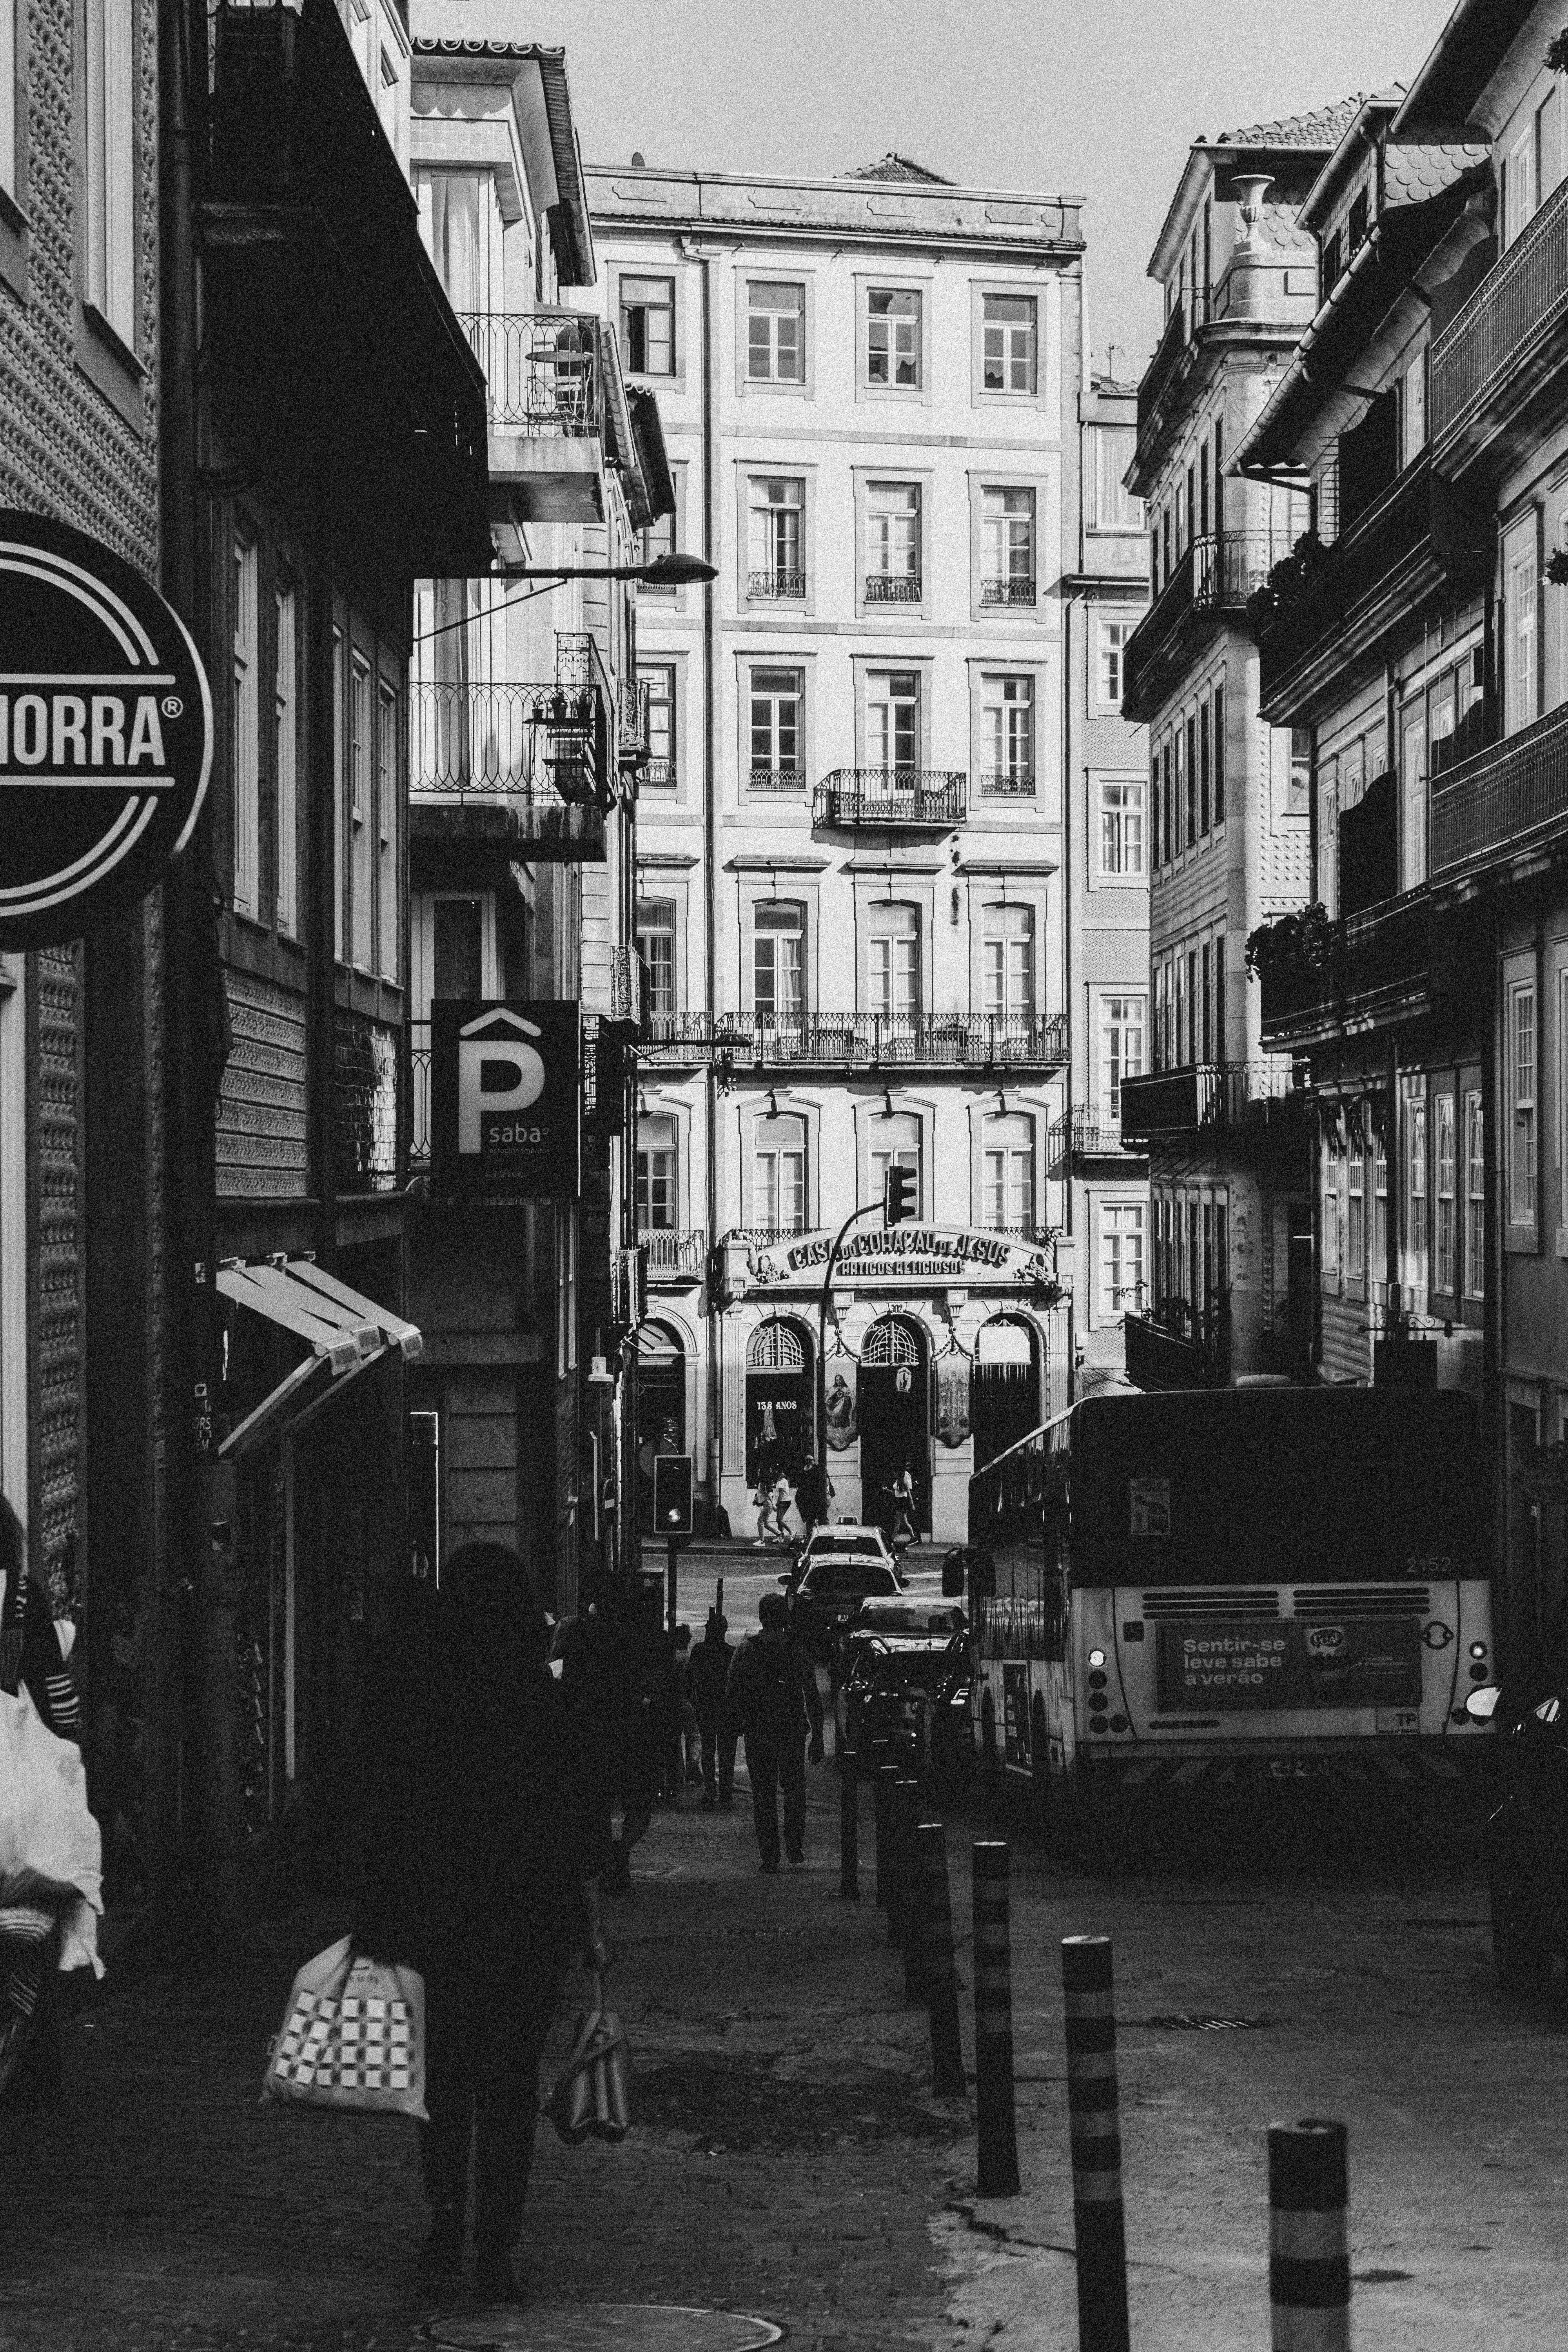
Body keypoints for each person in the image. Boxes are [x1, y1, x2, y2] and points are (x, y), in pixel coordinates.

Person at [356, 1544, 608, 2304]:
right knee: (507, 2086)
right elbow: (581, 1830)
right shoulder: (548, 1703)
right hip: (528, 1924)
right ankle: (496, 2246)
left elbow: (384, 1815)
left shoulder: (419, 1701)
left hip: (438, 1918)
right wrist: (592, 1932)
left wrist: (378, 1915)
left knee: (444, 2077)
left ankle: (444, 2218)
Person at [0, 1497, 85, 2112]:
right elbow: (60, 1700)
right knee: (36, 1915)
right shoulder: (23, 1599)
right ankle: (35, 2068)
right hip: (17, 1790)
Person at [726, 1592, 824, 1873]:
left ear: (761, 1617)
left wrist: (739, 1724)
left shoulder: (747, 1650)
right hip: (791, 1728)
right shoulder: (796, 1650)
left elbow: (733, 1692)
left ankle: (770, 1855)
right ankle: (794, 1845)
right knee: (794, 1789)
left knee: (763, 1794)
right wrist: (817, 1735)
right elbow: (812, 1695)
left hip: (759, 1729)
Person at [688, 1610, 736, 1809]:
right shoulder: (731, 1652)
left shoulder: (700, 1651)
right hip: (725, 1708)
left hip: (707, 1706)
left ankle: (711, 1789)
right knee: (727, 1753)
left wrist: (695, 1700)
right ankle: (725, 1790)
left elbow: (691, 1679)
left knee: (709, 1751)